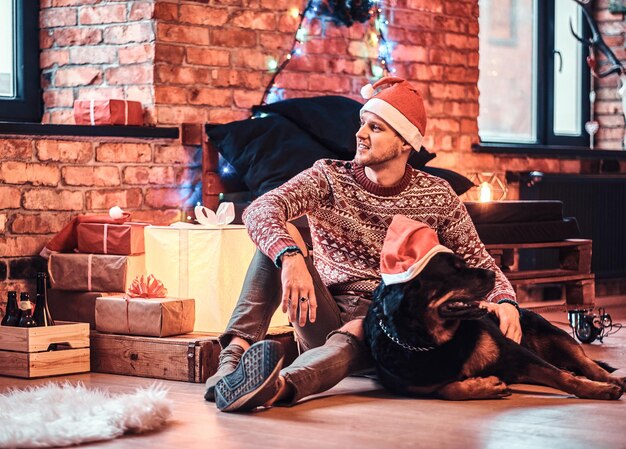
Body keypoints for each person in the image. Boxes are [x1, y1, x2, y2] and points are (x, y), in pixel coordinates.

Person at [204, 76, 521, 412]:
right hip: (321, 311)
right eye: (362, 124)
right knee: (276, 246)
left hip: (391, 326)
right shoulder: (328, 176)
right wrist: (292, 257)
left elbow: (479, 262)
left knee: (357, 327)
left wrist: (506, 302)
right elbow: (260, 209)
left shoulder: (438, 195)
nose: (360, 134)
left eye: (376, 128)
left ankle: (277, 387)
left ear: (404, 143)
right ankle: (230, 365)